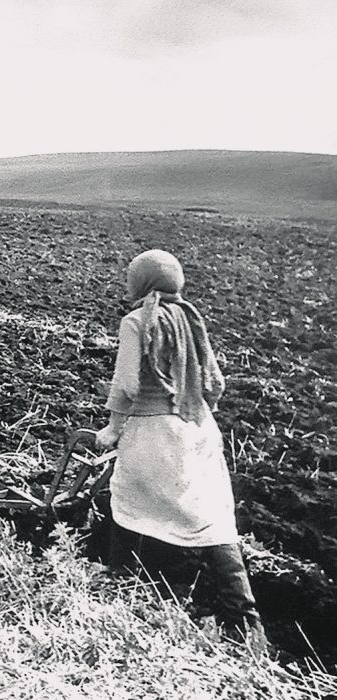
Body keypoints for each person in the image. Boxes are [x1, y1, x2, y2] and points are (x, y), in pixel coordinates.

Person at [94, 249, 263, 642]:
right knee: (210, 517)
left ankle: (118, 581)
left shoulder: (136, 321)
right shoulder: (191, 319)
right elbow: (215, 381)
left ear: (141, 282)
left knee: (127, 496)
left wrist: (113, 428)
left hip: (156, 433)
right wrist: (196, 410)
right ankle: (248, 622)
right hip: (200, 428)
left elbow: (127, 386)